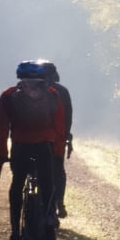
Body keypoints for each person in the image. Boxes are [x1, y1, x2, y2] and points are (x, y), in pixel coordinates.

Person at [0, 60, 66, 240]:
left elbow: (1, 128)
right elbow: (59, 127)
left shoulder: (8, 96)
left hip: (20, 148)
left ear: (20, 78)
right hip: (44, 148)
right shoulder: (52, 95)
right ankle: (49, 226)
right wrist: (58, 152)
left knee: (17, 185)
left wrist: (2, 154)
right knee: (48, 184)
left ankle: (15, 232)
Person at [35, 59, 73, 218]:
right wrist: (66, 136)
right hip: (56, 139)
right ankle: (59, 203)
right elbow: (68, 118)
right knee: (57, 171)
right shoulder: (62, 91)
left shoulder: (26, 89)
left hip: (33, 139)